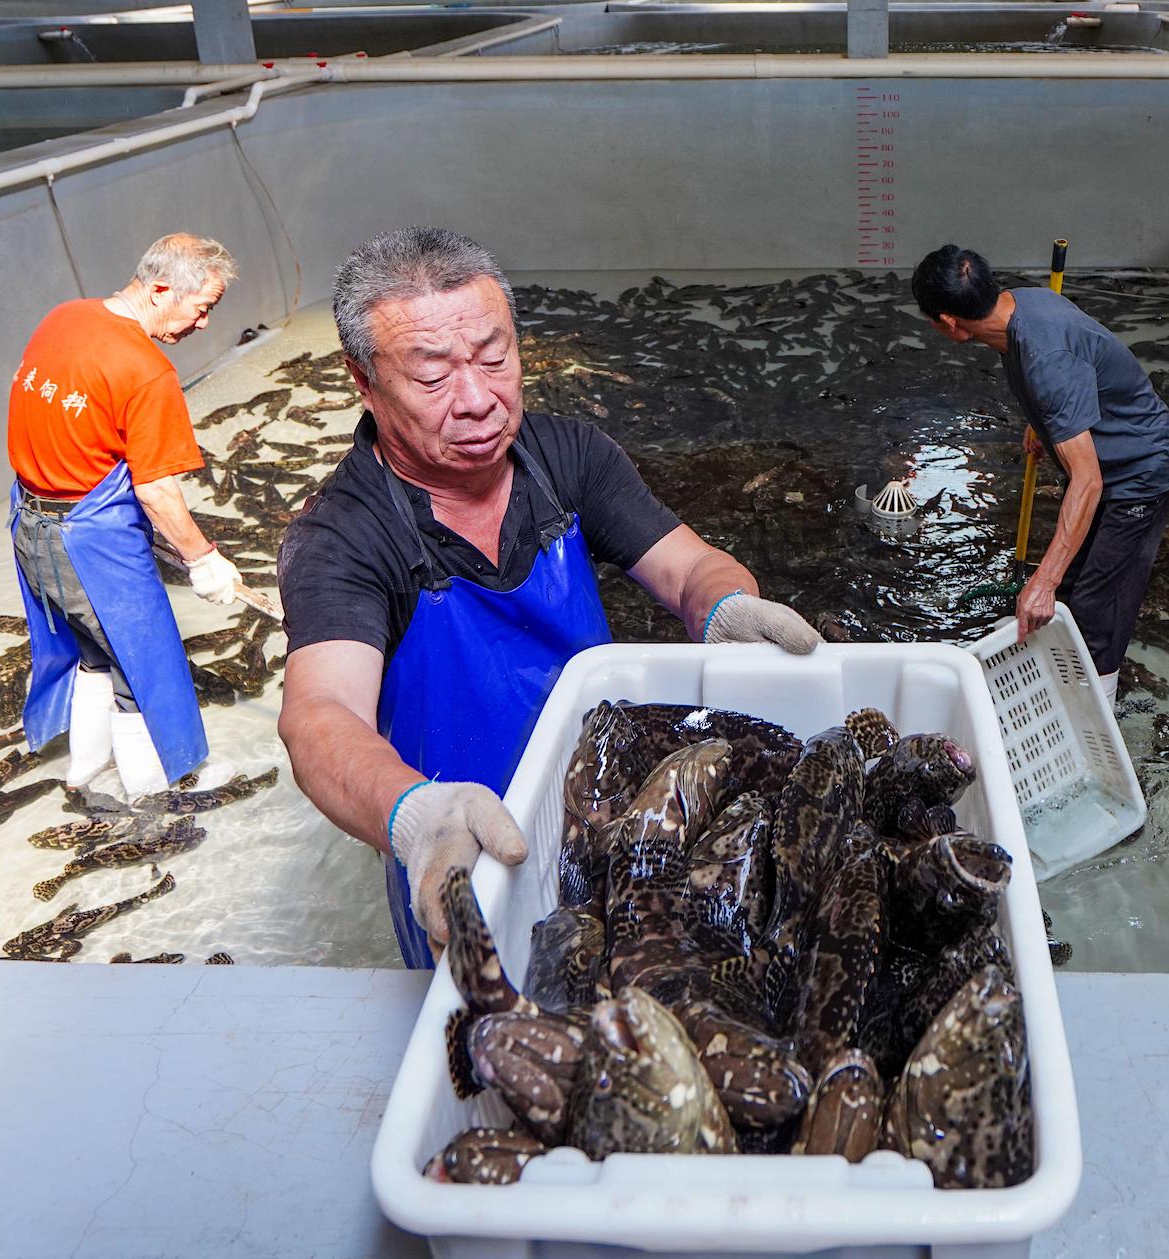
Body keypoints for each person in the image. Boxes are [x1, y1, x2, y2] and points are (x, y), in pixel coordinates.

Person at [276, 227, 822, 967]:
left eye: (494, 357)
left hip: (608, 819)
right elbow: (319, 715)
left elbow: (691, 569)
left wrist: (723, 606)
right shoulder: (342, 536)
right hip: (466, 849)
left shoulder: (566, 455)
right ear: (363, 380)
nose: (478, 400)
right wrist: (415, 815)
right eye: (433, 376)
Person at [10, 233, 266, 799]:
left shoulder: (64, 317)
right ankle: (160, 788)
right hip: (89, 539)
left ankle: (85, 770)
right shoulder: (147, 371)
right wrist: (204, 559)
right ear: (160, 290)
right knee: (142, 667)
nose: (203, 325)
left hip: (31, 527)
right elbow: (156, 491)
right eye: (203, 309)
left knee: (94, 651)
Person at [911, 244, 1169, 677]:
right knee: (1076, 584)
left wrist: (1042, 582)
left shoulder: (1045, 359)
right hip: (1103, 451)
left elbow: (1088, 481)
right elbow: (1080, 371)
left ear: (949, 324)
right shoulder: (1022, 304)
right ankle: (1061, 671)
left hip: (1139, 468)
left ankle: (1097, 712)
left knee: (1097, 606)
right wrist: (1050, 425)